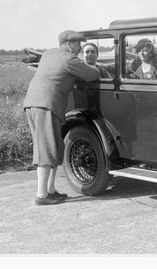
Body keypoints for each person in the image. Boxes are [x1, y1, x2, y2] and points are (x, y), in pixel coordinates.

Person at [23, 30, 101, 205]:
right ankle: (42, 195)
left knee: (54, 146)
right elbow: (91, 74)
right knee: (46, 149)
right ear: (68, 44)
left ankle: (50, 190)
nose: (80, 48)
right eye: (77, 44)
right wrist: (98, 67)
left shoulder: (49, 54)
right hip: (46, 105)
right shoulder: (68, 59)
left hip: (33, 103)